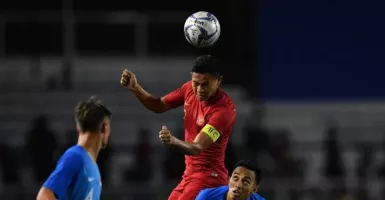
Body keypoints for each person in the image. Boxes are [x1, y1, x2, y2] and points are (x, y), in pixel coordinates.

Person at [121, 55, 236, 200]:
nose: (199, 89)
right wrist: (135, 88)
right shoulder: (188, 89)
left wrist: (173, 141)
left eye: (205, 84)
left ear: (218, 81)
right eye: (196, 83)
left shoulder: (223, 110)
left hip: (210, 178)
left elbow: (197, 147)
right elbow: (158, 105)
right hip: (189, 175)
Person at [36, 96, 112, 200]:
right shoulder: (75, 157)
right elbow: (44, 196)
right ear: (104, 127)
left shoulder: (91, 165)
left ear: (78, 127)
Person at [195, 160, 265, 200]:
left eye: (246, 181)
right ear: (228, 181)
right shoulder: (207, 197)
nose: (238, 185)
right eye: (235, 178)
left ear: (254, 189)